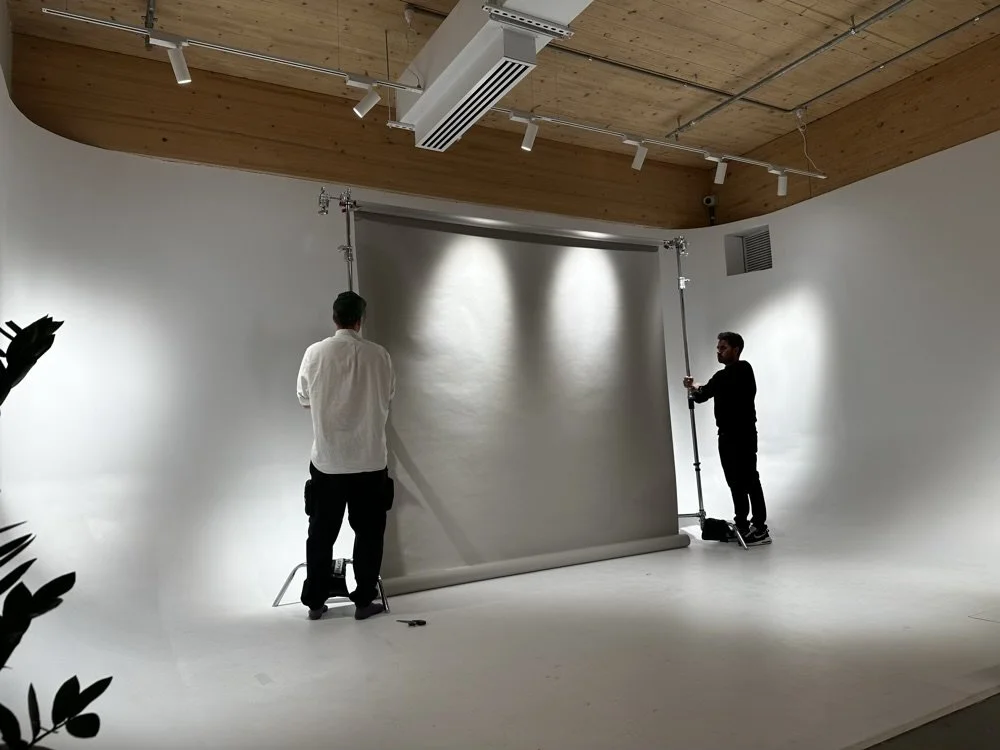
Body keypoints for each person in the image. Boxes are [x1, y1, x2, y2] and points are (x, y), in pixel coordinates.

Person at [297, 291, 396, 620]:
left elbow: (303, 398)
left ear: (335, 317)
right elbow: (389, 395)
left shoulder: (315, 353)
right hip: (370, 460)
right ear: (361, 319)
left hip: (328, 460)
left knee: (321, 534)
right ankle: (364, 602)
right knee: (369, 533)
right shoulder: (379, 355)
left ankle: (315, 603)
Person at [683, 332, 771, 546]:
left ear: (736, 350)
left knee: (750, 478)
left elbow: (711, 388)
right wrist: (693, 388)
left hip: (744, 435)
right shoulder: (722, 377)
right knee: (734, 481)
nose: (718, 351)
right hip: (726, 436)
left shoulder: (742, 370)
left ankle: (760, 529)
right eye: (718, 348)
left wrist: (698, 388)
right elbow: (704, 395)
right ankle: (741, 523)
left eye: (723, 348)